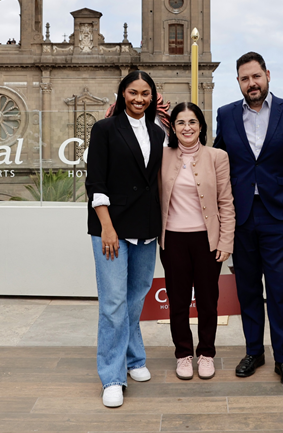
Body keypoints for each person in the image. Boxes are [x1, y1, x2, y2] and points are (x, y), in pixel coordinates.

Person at [214, 51, 283, 387]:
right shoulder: (226, 114)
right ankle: (254, 352)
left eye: (256, 76)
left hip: (279, 215)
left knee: (280, 288)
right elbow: (218, 161)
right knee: (248, 289)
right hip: (241, 215)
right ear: (238, 82)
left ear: (267, 75)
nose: (251, 83)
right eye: (245, 78)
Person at [85, 70, 164, 408]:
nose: (139, 99)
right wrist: (107, 226)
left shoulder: (158, 133)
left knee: (135, 299)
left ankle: (134, 359)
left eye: (145, 93)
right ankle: (112, 377)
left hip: (146, 227)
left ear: (152, 97)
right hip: (111, 228)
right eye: (133, 92)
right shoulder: (104, 129)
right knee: (113, 303)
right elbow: (95, 181)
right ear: (122, 95)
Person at [159, 102, 234, 380]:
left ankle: (206, 354)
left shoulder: (218, 156)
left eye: (192, 122)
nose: (187, 127)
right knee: (178, 302)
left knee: (207, 301)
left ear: (201, 126)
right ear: (173, 127)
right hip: (173, 240)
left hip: (207, 241)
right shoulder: (162, 155)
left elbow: (226, 202)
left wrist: (226, 241)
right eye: (180, 122)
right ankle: (183, 354)